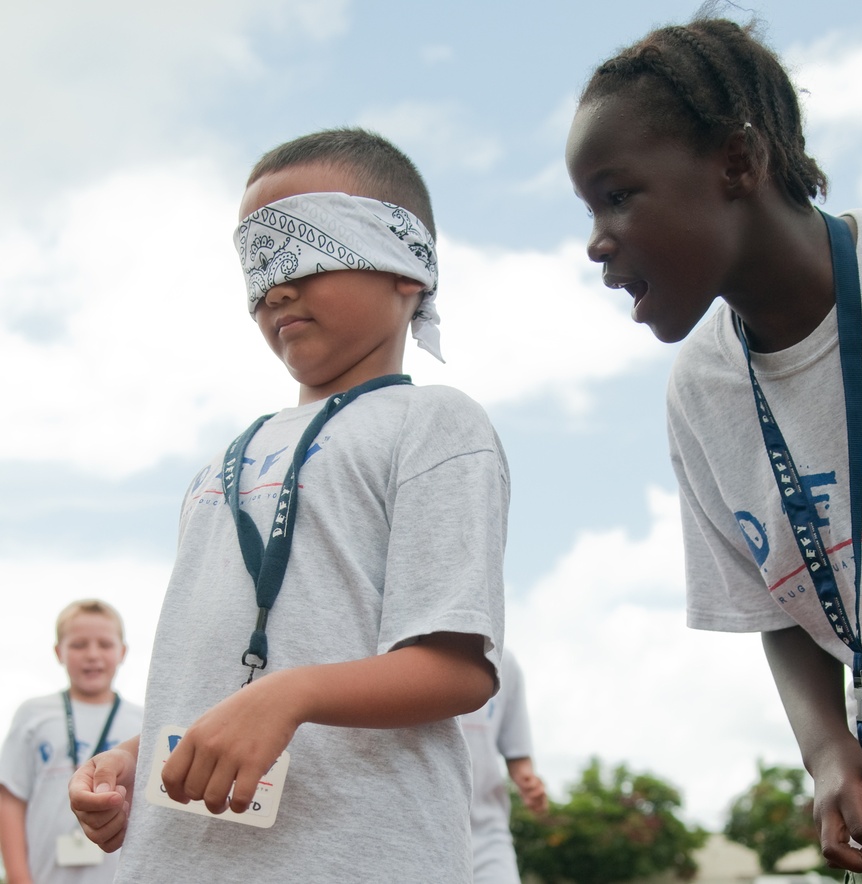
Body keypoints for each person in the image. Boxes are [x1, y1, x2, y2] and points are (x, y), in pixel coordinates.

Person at [565, 14, 862, 883]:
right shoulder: (702, 396)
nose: (596, 242)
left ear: (737, 162)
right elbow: (773, 607)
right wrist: (827, 750)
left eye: (618, 195)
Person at [68, 128, 509, 883]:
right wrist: (135, 762)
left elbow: (457, 668)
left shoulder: (434, 425)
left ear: (407, 265)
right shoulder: (219, 466)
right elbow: (219, 680)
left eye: (307, 248)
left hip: (356, 857)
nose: (276, 285)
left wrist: (292, 695)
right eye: (257, 261)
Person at [0, 599, 142, 884]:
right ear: (58, 652)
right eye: (78, 645)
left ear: (123, 651)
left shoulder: (142, 721)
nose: (92, 655)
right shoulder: (33, 714)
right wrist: (18, 876)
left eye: (105, 644)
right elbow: (11, 798)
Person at [461, 650, 547, 883]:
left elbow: (517, 752)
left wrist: (527, 779)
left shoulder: (504, 661)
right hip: (415, 830)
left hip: (486, 835)